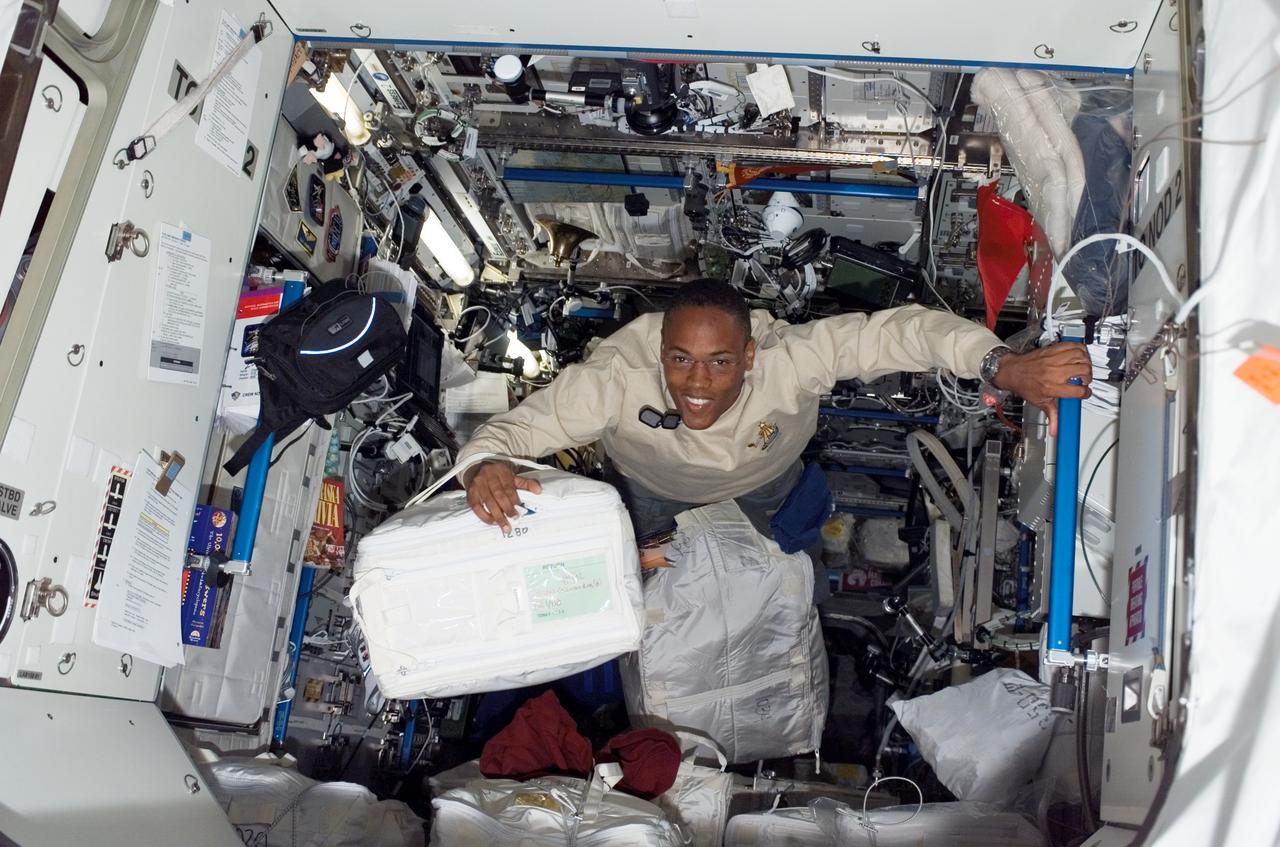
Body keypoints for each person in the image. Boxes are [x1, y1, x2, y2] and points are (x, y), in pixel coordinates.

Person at [456, 280, 1091, 597]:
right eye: (680, 360)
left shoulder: (792, 358)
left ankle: (806, 601)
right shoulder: (615, 379)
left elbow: (901, 334)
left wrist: (998, 365)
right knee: (645, 582)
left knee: (792, 564)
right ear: (660, 350)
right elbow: (517, 429)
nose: (696, 384)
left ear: (751, 354)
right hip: (650, 490)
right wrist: (483, 463)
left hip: (767, 481)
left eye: (721, 363)